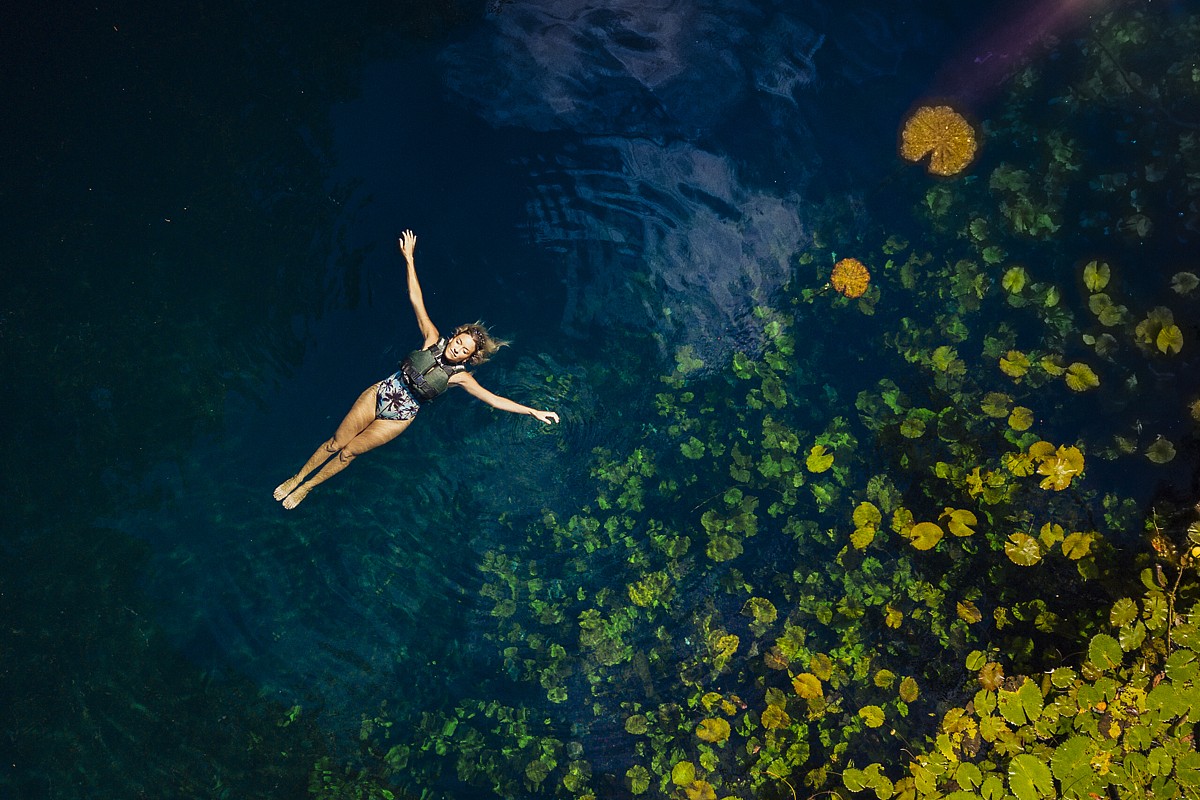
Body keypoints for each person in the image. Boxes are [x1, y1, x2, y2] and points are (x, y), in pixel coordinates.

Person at [274, 229, 560, 509]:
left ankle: (308, 487)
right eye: (459, 342)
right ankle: (297, 477)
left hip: (400, 417)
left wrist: (532, 410)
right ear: (455, 335)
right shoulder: (432, 338)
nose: (458, 348)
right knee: (336, 443)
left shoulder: (460, 377)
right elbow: (416, 299)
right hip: (380, 392)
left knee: (348, 453)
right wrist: (409, 259)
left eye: (465, 350)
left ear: (470, 357)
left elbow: (493, 399)